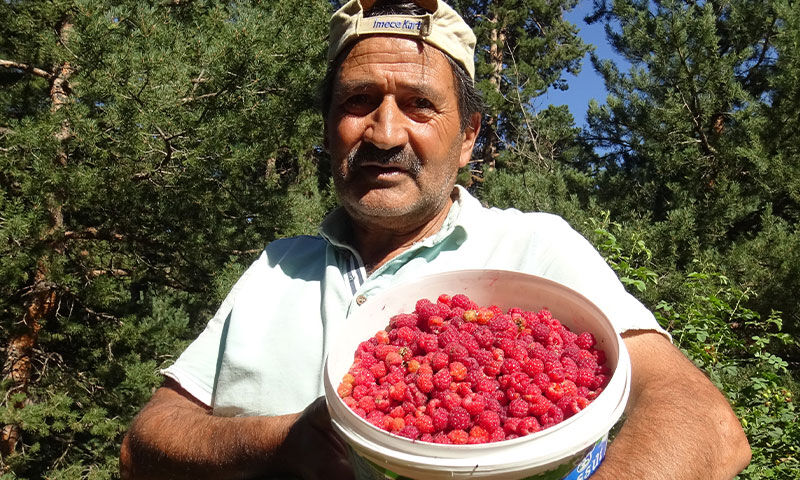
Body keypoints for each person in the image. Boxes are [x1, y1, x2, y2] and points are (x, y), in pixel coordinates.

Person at [119, 0, 751, 478]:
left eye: (418, 104)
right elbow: (143, 444)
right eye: (358, 100)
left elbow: (705, 424)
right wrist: (279, 440)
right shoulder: (278, 267)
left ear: (469, 134)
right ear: (329, 126)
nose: (384, 132)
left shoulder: (534, 247)